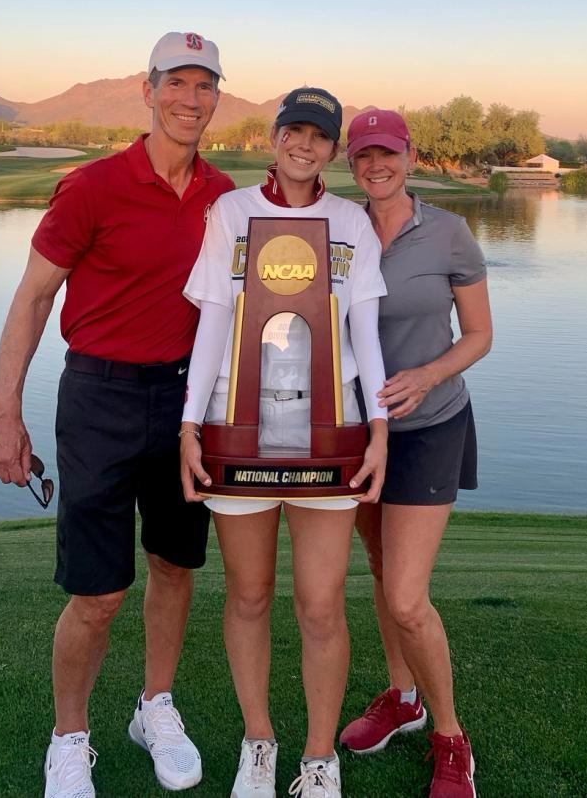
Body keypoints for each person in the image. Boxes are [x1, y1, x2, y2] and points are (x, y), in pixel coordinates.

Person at [0, 32, 234, 798]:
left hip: (190, 400)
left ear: (217, 96)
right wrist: (4, 414)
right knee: (97, 592)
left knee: (174, 563)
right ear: (148, 88)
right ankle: (69, 736)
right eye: (177, 83)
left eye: (205, 86)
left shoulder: (225, 196)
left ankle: (153, 705)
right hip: (100, 396)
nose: (191, 99)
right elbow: (32, 297)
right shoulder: (91, 186)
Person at [179, 87, 389, 798]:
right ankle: (258, 741)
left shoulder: (351, 221)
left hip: (329, 434)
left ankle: (319, 756)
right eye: (293, 130)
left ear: (334, 149)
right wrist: (188, 421)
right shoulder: (230, 213)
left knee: (323, 604)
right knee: (247, 595)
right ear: (273, 135)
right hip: (237, 431)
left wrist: (380, 424)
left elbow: (365, 325)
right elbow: (211, 321)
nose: (305, 144)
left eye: (320, 135)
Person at [338, 109, 493, 798]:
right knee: (379, 567)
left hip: (430, 424)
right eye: (365, 154)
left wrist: (427, 374)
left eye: (388, 153)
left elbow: (480, 334)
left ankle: (451, 737)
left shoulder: (449, 233)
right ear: (352, 163)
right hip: (353, 430)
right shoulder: (338, 227)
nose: (378, 165)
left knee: (406, 595)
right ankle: (402, 697)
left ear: (409, 156)